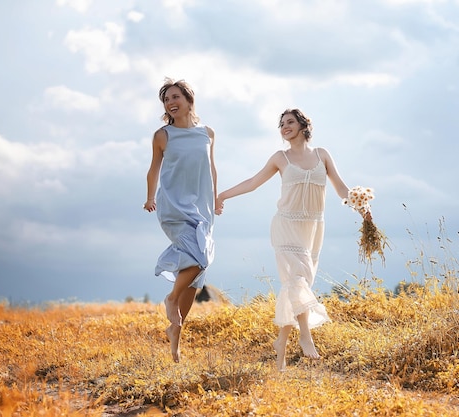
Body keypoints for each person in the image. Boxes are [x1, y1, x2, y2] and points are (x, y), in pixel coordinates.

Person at [216, 108, 369, 371]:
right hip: (286, 224)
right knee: (297, 279)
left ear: (303, 125)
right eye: (282, 124)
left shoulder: (322, 155)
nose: (284, 127)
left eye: (290, 122)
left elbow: (341, 188)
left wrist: (361, 206)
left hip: (313, 228)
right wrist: (222, 196)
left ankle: (281, 344)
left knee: (298, 286)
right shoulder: (280, 157)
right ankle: (305, 335)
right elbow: (253, 182)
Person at [143, 78, 218, 363]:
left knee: (196, 277)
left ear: (189, 100)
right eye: (166, 100)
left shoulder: (207, 133)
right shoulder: (163, 135)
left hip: (202, 208)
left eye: (176, 97)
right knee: (199, 258)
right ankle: (171, 298)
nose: (171, 103)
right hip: (172, 206)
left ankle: (175, 335)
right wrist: (150, 197)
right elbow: (153, 170)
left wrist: (216, 198)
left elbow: (211, 168)